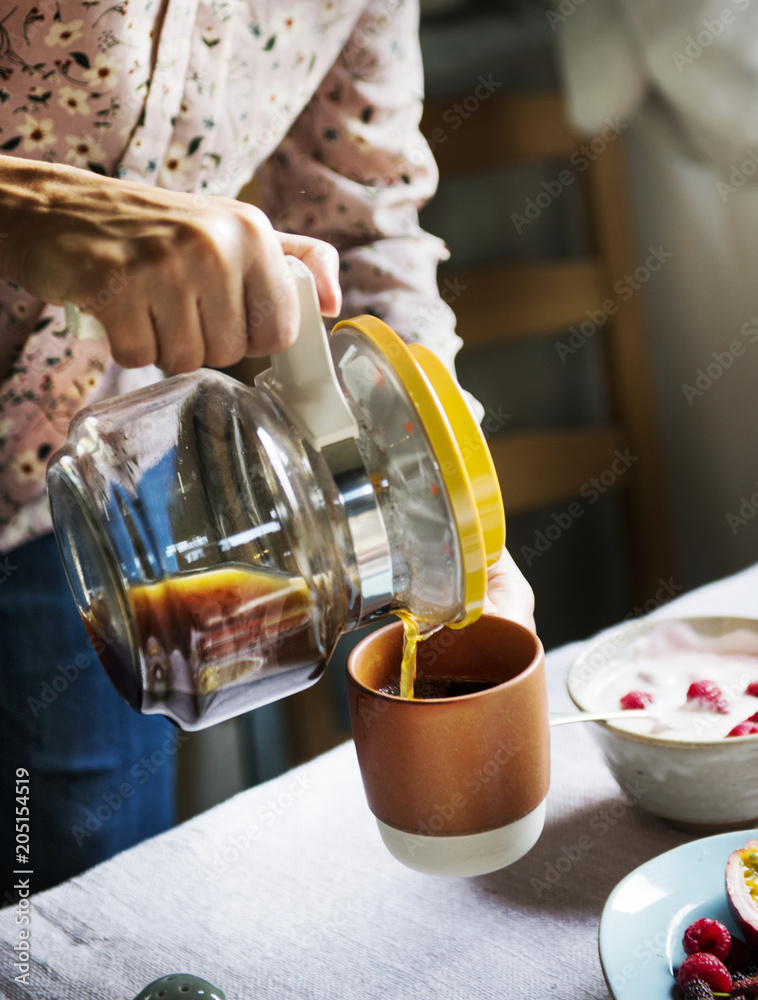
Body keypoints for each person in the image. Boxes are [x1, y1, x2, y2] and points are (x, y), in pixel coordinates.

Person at [0, 0, 534, 900]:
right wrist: (32, 209)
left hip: (91, 527)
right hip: (104, 486)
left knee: (60, 925)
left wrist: (447, 494)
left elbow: (360, 228)